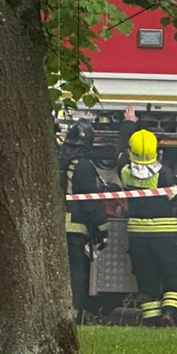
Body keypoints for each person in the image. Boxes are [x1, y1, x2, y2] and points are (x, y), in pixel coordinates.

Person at [122, 128, 177, 326]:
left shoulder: (125, 172)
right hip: (165, 234)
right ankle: (169, 313)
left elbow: (120, 152)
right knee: (174, 275)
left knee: (147, 277)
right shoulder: (164, 174)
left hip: (137, 235)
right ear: (155, 151)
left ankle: (151, 320)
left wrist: (127, 126)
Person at [60, 122, 112, 322]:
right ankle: (73, 313)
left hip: (52, 228)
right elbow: (91, 203)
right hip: (75, 230)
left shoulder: (56, 160)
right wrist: (102, 229)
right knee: (77, 272)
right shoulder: (83, 166)